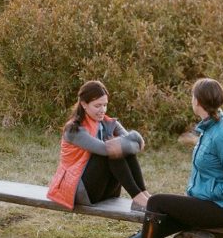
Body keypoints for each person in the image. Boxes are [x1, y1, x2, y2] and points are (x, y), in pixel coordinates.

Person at [72, 77, 223, 238]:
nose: (191, 100)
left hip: (221, 209)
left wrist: (207, 194)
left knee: (156, 202)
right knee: (156, 223)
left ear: (198, 101)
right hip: (206, 203)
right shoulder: (209, 129)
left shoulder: (222, 135)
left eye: (192, 96)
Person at [47, 80, 150, 215]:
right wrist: (131, 140)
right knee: (112, 152)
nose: (102, 110)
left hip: (103, 189)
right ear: (84, 104)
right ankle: (138, 198)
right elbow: (105, 149)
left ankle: (143, 195)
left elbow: (133, 146)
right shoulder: (74, 129)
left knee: (118, 150)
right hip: (77, 191)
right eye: (97, 106)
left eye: (105, 105)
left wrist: (135, 136)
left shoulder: (109, 122)